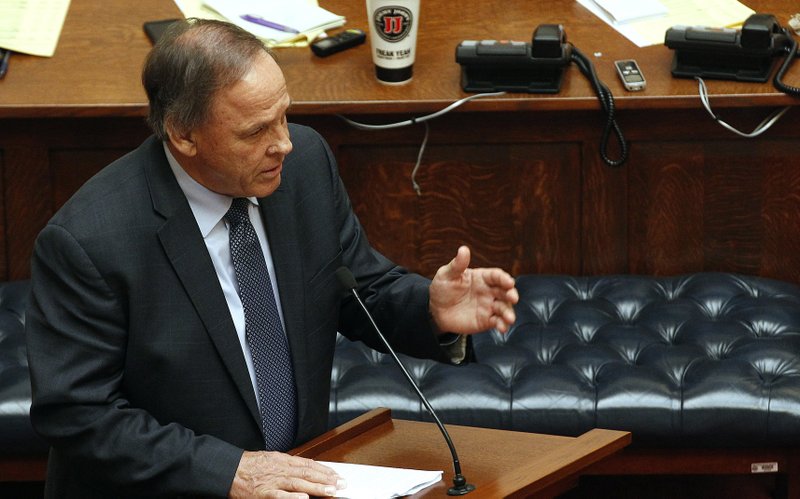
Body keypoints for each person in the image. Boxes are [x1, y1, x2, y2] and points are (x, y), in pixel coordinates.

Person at [26, 18, 519, 498]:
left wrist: (430, 310)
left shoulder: (304, 163)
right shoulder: (89, 241)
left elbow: (357, 288)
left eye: (284, 115)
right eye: (256, 130)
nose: (283, 142)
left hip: (299, 478)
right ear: (183, 134)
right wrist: (227, 472)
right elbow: (78, 414)